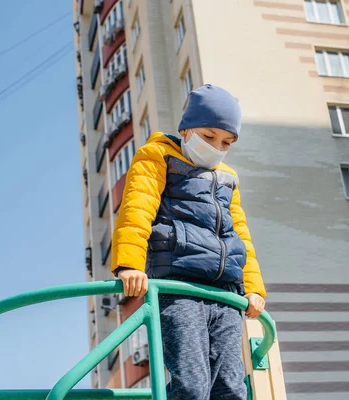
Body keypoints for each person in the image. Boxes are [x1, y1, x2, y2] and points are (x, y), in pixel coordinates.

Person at [111, 84, 267, 399]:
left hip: (225, 292)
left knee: (231, 388)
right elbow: (137, 208)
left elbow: (240, 235)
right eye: (209, 137)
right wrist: (129, 263)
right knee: (192, 385)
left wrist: (253, 288)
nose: (217, 147)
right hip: (179, 286)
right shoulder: (158, 156)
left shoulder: (227, 177)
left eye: (227, 142)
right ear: (185, 130)